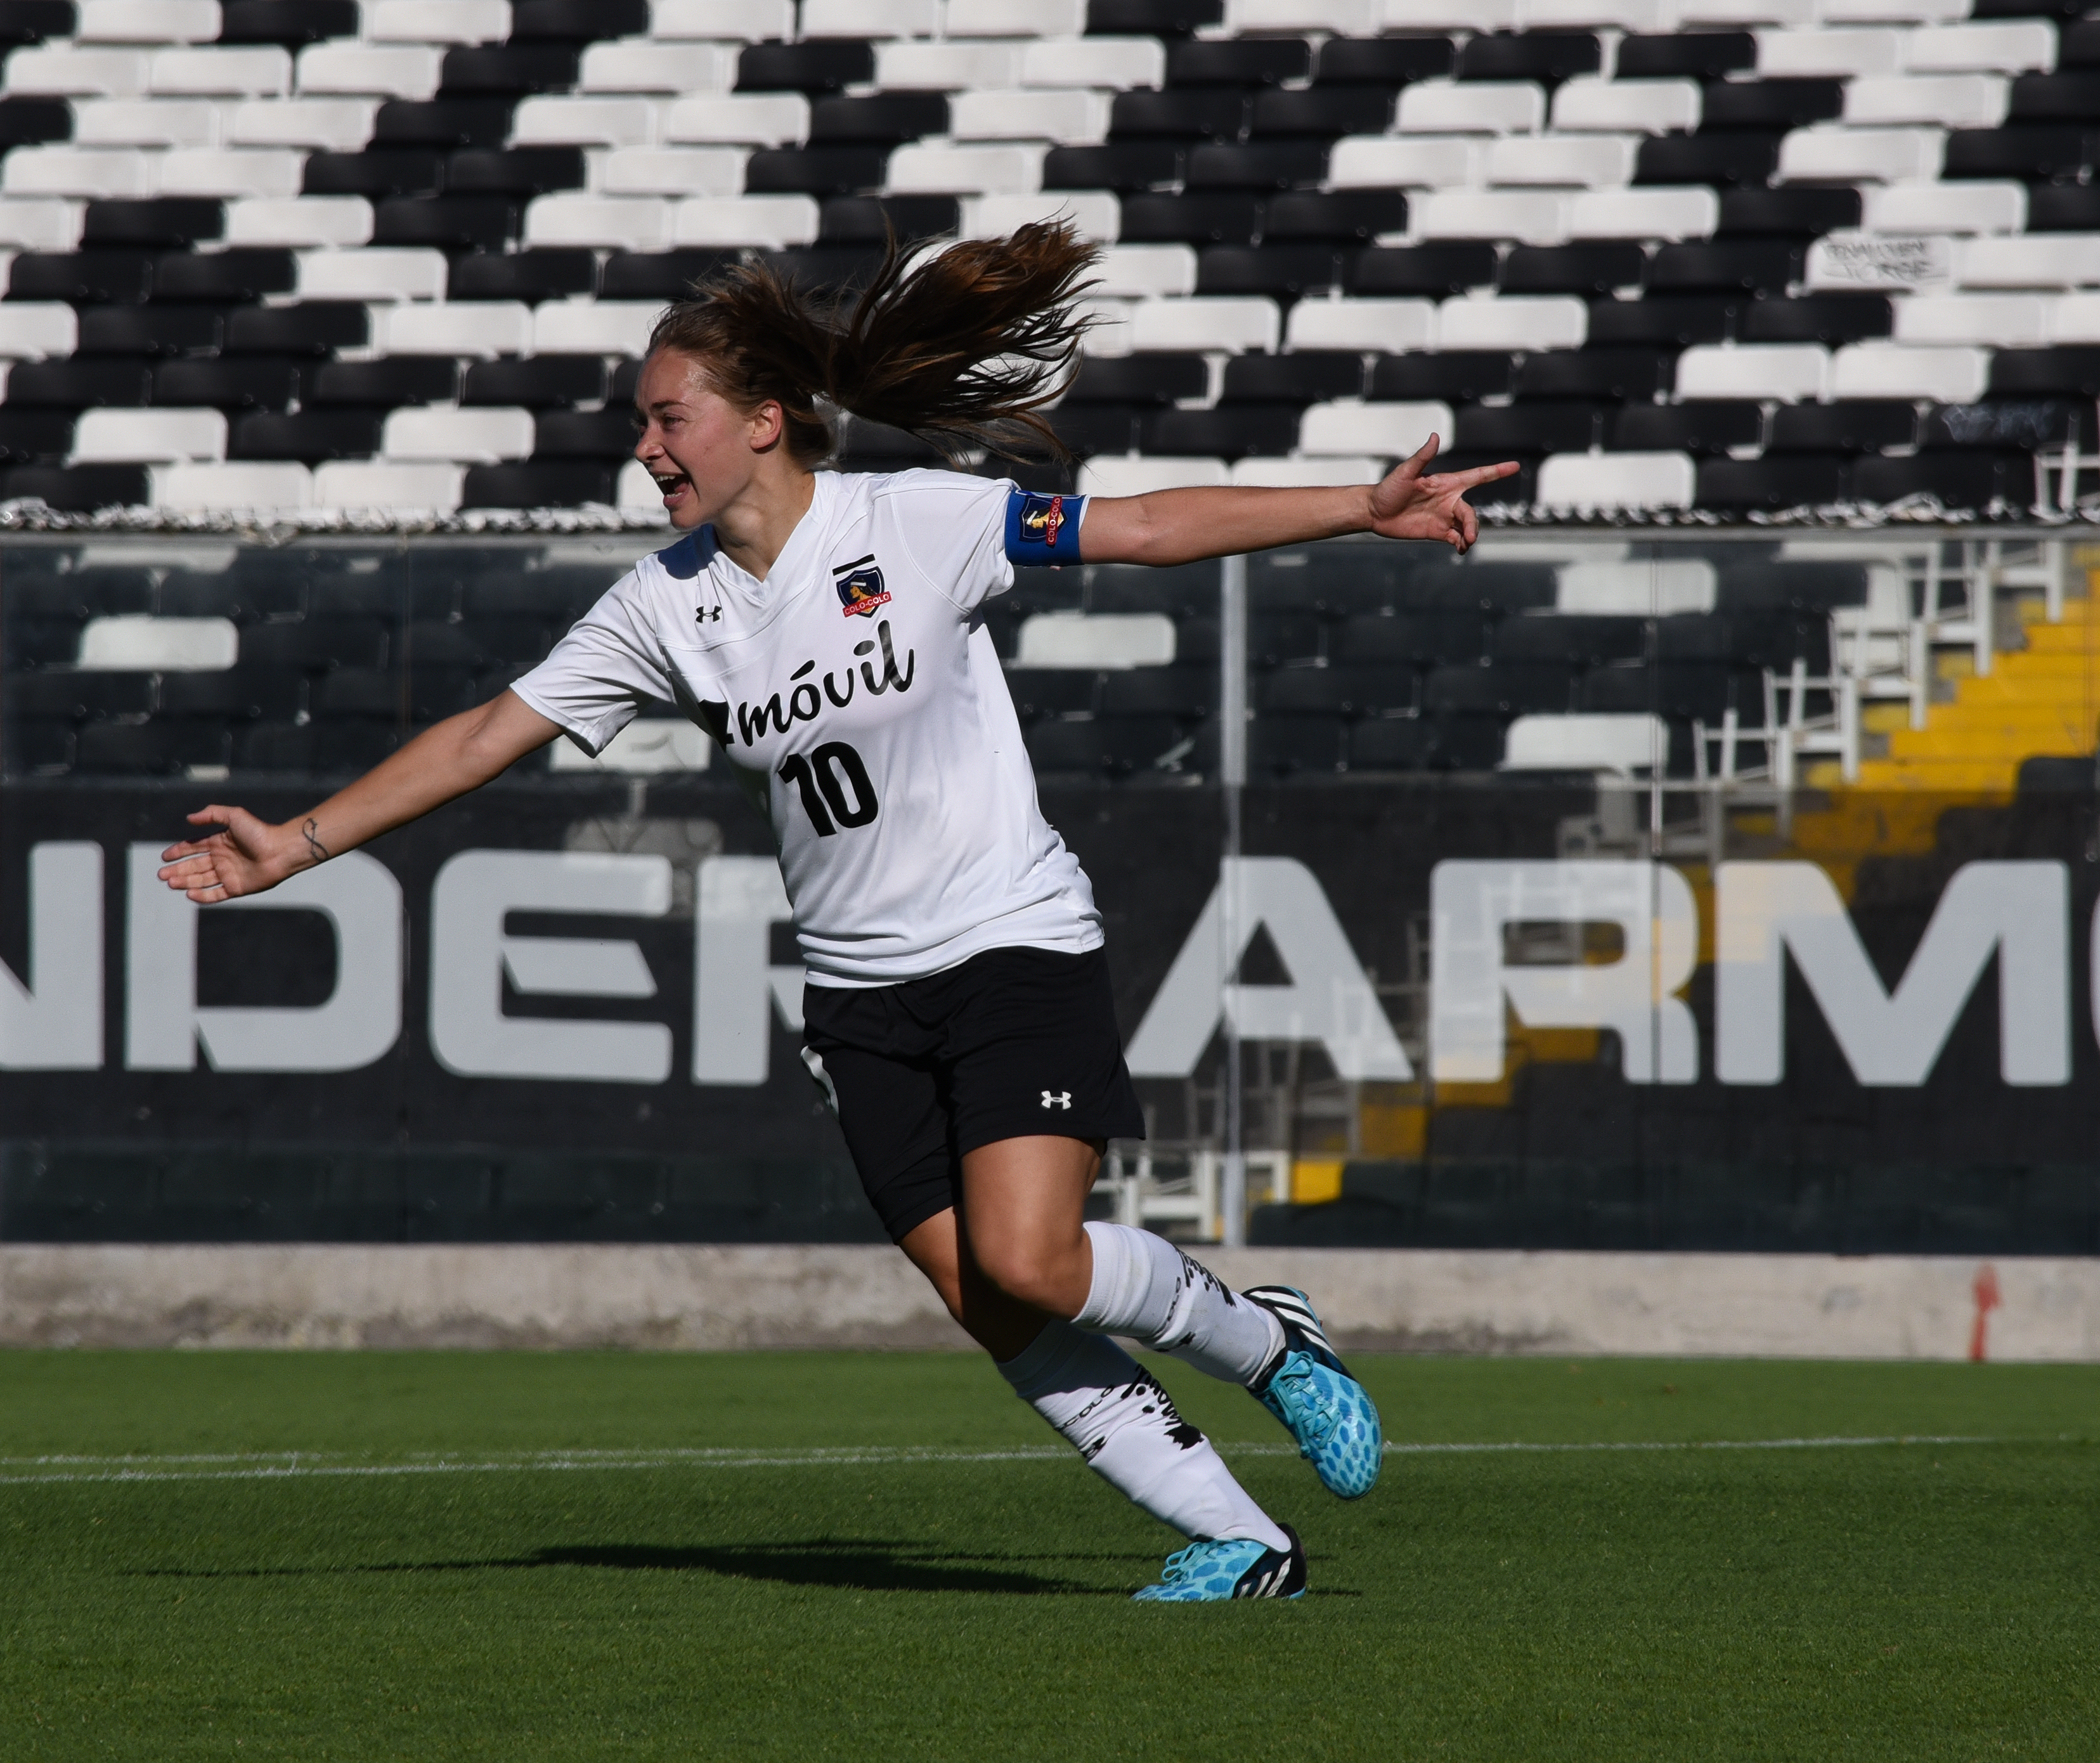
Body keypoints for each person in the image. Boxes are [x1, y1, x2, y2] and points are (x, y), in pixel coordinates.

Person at [158, 222, 1518, 1603]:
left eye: (667, 417)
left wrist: (1361, 504)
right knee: (990, 1300)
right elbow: (481, 736)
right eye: (640, 424)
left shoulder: (909, 519)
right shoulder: (663, 609)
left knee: (1033, 1257)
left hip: (1009, 941)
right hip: (859, 999)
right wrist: (299, 847)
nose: (647, 447)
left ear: (761, 421)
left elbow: (1149, 527)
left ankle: (1267, 1343)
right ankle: (1242, 1540)